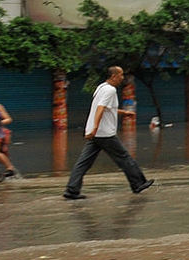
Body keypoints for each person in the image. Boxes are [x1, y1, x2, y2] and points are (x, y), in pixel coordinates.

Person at [63, 66, 152, 199]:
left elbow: (108, 109)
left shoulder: (101, 87)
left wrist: (124, 112)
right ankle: (138, 183)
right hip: (104, 133)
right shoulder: (110, 90)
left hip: (96, 134)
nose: (122, 77)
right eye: (121, 75)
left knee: (84, 162)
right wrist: (95, 128)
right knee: (124, 157)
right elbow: (100, 108)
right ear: (114, 76)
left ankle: (72, 190)